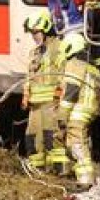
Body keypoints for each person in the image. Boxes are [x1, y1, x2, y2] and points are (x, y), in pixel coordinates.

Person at [21, 11, 69, 175]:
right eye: (32, 33)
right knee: (32, 137)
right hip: (35, 105)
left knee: (52, 137)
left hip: (51, 103)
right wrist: (26, 96)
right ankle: (37, 171)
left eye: (36, 32)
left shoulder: (59, 49)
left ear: (46, 29)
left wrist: (59, 99)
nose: (34, 36)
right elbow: (29, 76)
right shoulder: (34, 52)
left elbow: (65, 76)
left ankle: (58, 172)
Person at [57, 33, 100, 188]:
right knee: (78, 142)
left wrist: (61, 116)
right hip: (90, 108)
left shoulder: (75, 64)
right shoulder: (92, 66)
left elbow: (71, 91)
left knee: (76, 142)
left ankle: (85, 179)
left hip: (79, 110)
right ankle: (79, 174)